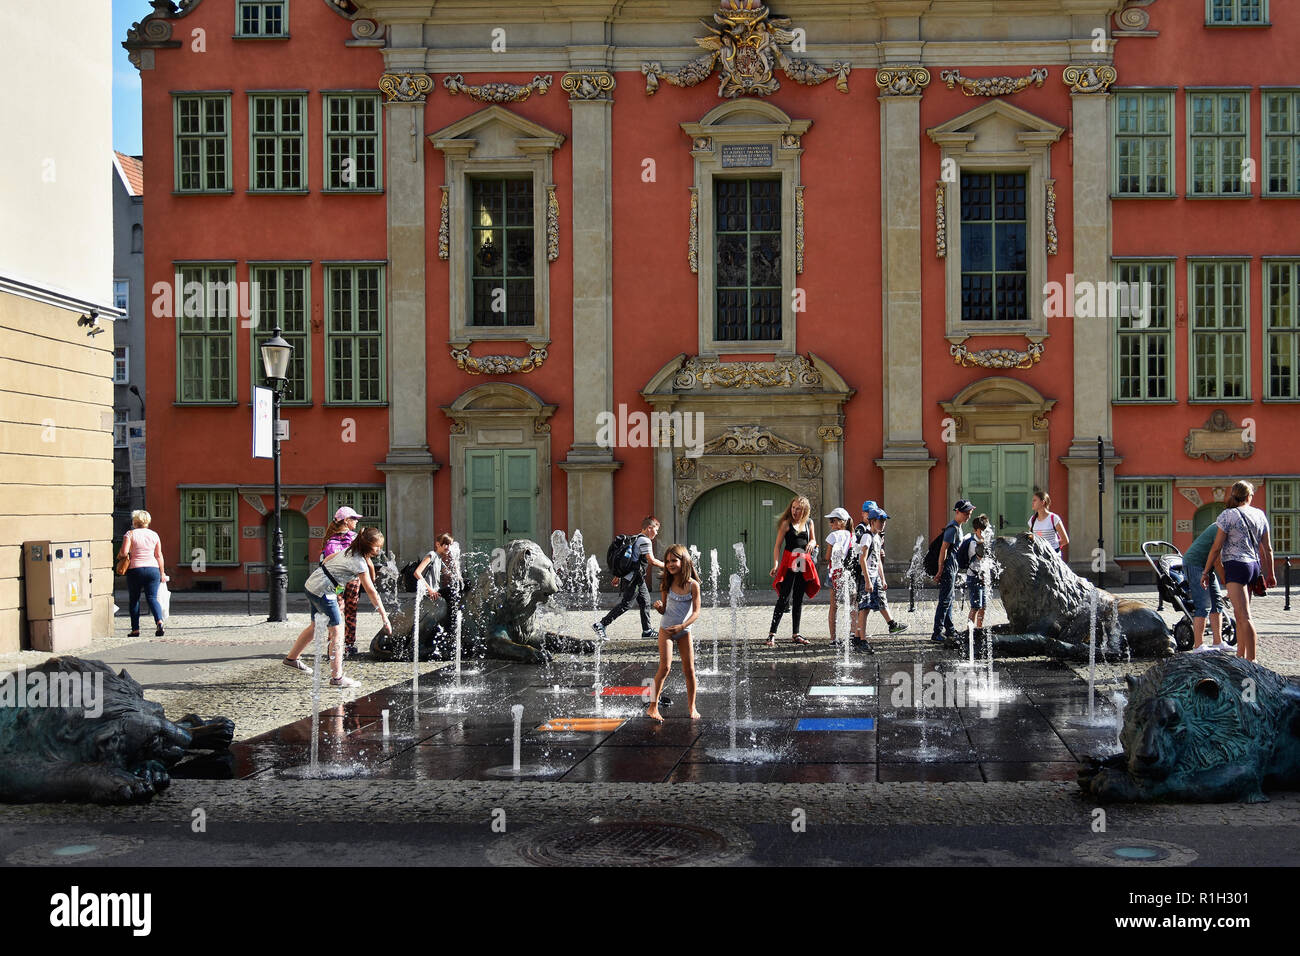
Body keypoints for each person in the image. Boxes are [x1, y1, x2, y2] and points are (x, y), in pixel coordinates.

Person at [284, 527, 392, 687]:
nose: (379, 549)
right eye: (377, 546)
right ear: (367, 545)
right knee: (338, 631)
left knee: (315, 626)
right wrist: (385, 618)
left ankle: (291, 659)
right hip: (323, 590)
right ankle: (337, 678)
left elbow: (327, 560)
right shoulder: (358, 561)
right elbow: (371, 591)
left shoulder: (350, 550)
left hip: (312, 584)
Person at [1202, 481, 1274, 662]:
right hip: (1253, 567)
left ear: (1234, 495)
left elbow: (1216, 547)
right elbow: (1268, 548)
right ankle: (1241, 655)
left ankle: (1252, 660)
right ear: (1249, 496)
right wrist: (1271, 573)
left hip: (1236, 566)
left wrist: (1205, 571)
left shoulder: (1228, 515)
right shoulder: (1259, 514)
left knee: (1244, 616)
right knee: (1240, 613)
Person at [645, 544, 702, 722]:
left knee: (690, 670)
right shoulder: (666, 583)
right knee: (665, 668)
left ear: (683, 561)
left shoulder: (693, 586)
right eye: (667, 561)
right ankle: (652, 707)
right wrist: (659, 608)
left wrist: (682, 626)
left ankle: (692, 707)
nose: (669, 564)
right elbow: (664, 611)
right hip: (666, 631)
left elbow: (696, 613)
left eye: (674, 561)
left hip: (684, 631)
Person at [593, 516, 664, 641]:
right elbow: (651, 561)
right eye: (656, 530)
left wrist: (618, 576)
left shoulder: (635, 538)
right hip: (634, 578)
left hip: (634, 577)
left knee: (645, 601)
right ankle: (601, 624)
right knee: (626, 604)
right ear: (649, 528)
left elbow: (630, 559)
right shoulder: (645, 541)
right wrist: (668, 566)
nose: (656, 533)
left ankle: (647, 631)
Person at [767, 496, 820, 646]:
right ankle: (771, 634)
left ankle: (796, 634)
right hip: (789, 562)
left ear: (805, 510)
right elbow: (777, 546)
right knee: (783, 598)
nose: (795, 511)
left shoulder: (809, 522)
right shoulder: (786, 524)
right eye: (793, 508)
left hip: (803, 563)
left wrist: (812, 541)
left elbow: (814, 540)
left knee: (798, 599)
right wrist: (776, 565)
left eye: (798, 509)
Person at [857, 503, 908, 645]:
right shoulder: (867, 537)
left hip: (875, 576)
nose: (883, 524)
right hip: (866, 576)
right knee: (864, 607)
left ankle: (892, 625)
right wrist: (867, 580)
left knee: (880, 600)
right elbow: (862, 559)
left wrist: (883, 578)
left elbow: (878, 559)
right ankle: (860, 639)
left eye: (884, 521)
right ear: (872, 521)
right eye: (881, 521)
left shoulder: (878, 537)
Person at [321, 506, 364, 659]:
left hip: (336, 583)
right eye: (354, 519)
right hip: (352, 580)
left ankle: (333, 645)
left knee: (337, 611)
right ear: (346, 521)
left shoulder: (329, 540)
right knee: (350, 611)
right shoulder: (355, 538)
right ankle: (349, 644)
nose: (357, 522)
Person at [118, 510, 168, 637]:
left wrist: (124, 554)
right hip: (153, 569)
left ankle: (135, 630)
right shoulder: (154, 535)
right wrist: (162, 572)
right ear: (147, 521)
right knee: (152, 598)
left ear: (135, 521)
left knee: (134, 599)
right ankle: (159, 622)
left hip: (136, 569)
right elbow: (158, 555)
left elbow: (124, 553)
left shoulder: (130, 534)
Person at [932, 499, 974, 643]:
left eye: (969, 513)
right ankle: (936, 632)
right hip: (948, 566)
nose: (968, 516)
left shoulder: (958, 527)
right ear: (957, 512)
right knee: (945, 600)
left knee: (949, 599)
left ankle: (949, 629)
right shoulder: (953, 528)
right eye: (965, 513)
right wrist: (940, 570)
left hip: (952, 566)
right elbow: (943, 550)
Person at [1182, 523, 1227, 652]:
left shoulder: (1228, 526)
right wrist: (1225, 580)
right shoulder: (1221, 528)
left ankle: (1218, 642)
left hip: (1207, 566)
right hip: (1195, 564)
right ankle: (1198, 645)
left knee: (1216, 602)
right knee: (1203, 604)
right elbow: (1218, 559)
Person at [414, 533, 463, 652]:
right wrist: (429, 590)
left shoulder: (440, 559)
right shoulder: (432, 555)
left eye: (449, 545)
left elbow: (453, 576)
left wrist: (455, 561)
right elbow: (417, 573)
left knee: (460, 587)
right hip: (428, 592)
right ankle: (450, 630)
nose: (447, 547)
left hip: (436, 591)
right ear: (438, 544)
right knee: (451, 592)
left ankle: (453, 629)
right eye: (445, 544)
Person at [823, 507, 855, 646]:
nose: (830, 523)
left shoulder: (833, 536)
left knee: (833, 606)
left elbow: (827, 556)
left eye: (833, 520)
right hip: (848, 573)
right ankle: (853, 635)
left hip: (834, 573)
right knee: (851, 604)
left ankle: (833, 638)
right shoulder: (851, 535)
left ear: (842, 522)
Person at [961, 514, 990, 640]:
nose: (984, 533)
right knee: (975, 606)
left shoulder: (984, 541)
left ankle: (979, 630)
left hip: (983, 577)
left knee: (983, 606)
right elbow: (979, 557)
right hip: (973, 577)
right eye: (982, 530)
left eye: (986, 530)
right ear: (976, 530)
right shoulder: (973, 543)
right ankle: (969, 632)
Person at [1029, 490, 1069, 561]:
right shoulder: (1032, 520)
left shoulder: (1054, 518)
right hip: (1038, 558)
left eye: (1035, 500)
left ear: (1042, 502)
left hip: (1053, 558)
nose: (1032, 503)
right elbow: (1030, 538)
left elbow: (1065, 540)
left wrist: (1052, 547)